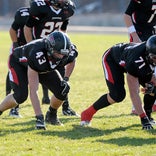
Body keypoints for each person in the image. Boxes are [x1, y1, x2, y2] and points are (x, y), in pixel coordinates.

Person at [0, 31, 78, 130]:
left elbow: (72, 60)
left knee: (63, 89)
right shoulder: (37, 53)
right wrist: (39, 118)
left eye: (64, 54)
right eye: (58, 53)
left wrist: (66, 78)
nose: (61, 57)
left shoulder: (69, 51)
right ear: (49, 48)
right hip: (20, 64)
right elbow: (34, 91)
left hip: (43, 65)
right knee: (21, 96)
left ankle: (51, 115)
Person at [80, 35, 156, 130]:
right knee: (117, 95)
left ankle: (149, 115)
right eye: (155, 58)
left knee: (152, 88)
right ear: (148, 53)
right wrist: (143, 119)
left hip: (132, 58)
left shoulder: (150, 53)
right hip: (113, 60)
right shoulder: (135, 60)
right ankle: (87, 113)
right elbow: (134, 93)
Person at [24, 0, 78, 116]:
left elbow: (63, 30)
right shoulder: (40, 7)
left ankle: (65, 107)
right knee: (27, 82)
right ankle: (16, 107)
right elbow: (27, 28)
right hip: (42, 48)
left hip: (56, 49)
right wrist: (32, 47)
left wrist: (65, 44)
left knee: (62, 78)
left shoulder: (67, 9)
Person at [124, 0, 156, 114]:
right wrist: (134, 35)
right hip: (139, 32)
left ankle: (153, 101)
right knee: (138, 68)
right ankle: (135, 105)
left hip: (152, 32)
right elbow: (127, 15)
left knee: (154, 68)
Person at [6, 7, 30, 118]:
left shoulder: (48, 13)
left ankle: (47, 98)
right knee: (16, 72)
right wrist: (16, 45)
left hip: (38, 47)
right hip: (20, 45)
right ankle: (13, 105)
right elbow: (12, 29)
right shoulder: (23, 14)